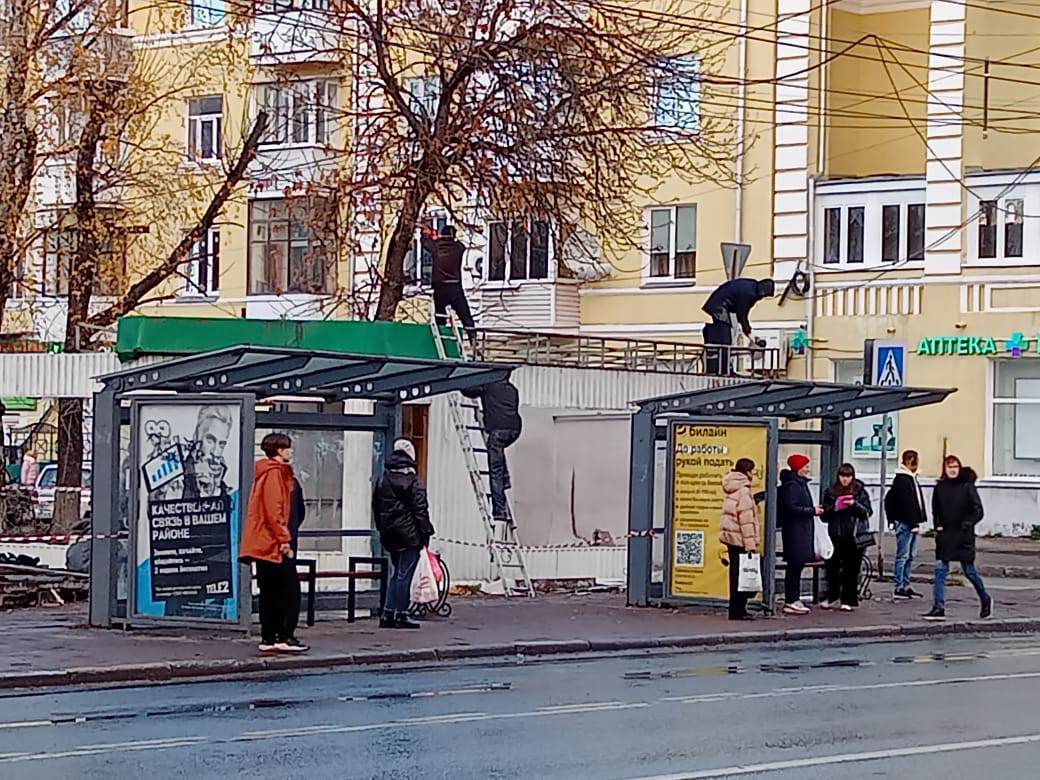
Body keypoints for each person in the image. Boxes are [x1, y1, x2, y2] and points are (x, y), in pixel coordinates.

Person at [240, 433, 308, 654]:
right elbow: (275, 510)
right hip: (273, 545)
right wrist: (284, 540)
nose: (291, 451)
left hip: (263, 544)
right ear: (279, 450)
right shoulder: (275, 474)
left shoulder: (263, 472)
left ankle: (269, 637)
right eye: (288, 447)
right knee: (288, 590)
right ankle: (283, 636)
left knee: (269, 590)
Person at [373, 438, 434, 629]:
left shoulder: (383, 478)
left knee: (396, 573)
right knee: (404, 575)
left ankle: (387, 613)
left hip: (389, 534)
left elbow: (376, 507)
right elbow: (420, 509)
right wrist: (426, 533)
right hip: (410, 534)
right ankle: (401, 613)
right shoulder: (413, 481)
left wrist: (382, 528)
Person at [924, 455, 993, 621]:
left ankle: (985, 598)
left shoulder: (967, 486)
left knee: (969, 571)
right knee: (940, 570)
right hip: (946, 534)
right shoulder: (940, 487)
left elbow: (978, 511)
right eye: (949, 467)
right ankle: (938, 606)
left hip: (963, 536)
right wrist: (938, 526)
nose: (953, 470)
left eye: (955, 466)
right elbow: (936, 510)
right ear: (944, 469)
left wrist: (967, 523)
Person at [461, 380, 522, 521]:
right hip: (515, 430)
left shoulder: (488, 385)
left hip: (498, 430)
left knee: (495, 472)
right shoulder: (513, 389)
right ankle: (506, 479)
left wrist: (458, 383)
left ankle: (499, 510)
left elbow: (470, 391)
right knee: (498, 451)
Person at [820, 464, 872, 611]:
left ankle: (848, 600)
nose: (845, 480)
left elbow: (867, 511)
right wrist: (834, 508)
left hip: (853, 535)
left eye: (848, 476)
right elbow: (824, 515)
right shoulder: (830, 492)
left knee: (851, 569)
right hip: (835, 534)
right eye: (842, 476)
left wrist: (854, 504)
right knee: (832, 568)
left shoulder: (859, 491)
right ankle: (832, 596)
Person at [778, 453, 824, 615]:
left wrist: (811, 510)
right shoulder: (792, 485)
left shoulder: (798, 483)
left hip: (800, 530)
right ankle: (791, 600)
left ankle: (793, 599)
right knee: (795, 566)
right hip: (795, 532)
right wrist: (811, 510)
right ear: (797, 468)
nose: (807, 469)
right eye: (805, 466)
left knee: (797, 566)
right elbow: (790, 508)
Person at [719, 458, 760, 621]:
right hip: (740, 539)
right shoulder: (743, 490)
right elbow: (746, 520)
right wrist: (750, 545)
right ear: (748, 471)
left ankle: (735, 609)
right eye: (753, 470)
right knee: (741, 575)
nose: (754, 474)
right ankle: (738, 610)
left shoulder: (732, 486)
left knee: (735, 573)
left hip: (731, 537)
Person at [885, 449, 927, 600]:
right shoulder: (903, 480)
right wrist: (913, 522)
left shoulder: (909, 478)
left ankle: (905, 584)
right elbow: (907, 504)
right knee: (903, 555)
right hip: (906, 523)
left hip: (909, 522)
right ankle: (899, 586)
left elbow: (889, 500)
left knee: (909, 555)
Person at [421, 224, 475, 337]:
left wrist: (428, 235)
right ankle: (473, 339)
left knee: (440, 316)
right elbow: (461, 244)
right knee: (465, 316)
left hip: (440, 287)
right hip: (455, 286)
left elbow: (425, 243)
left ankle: (441, 338)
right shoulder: (459, 248)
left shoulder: (436, 247)